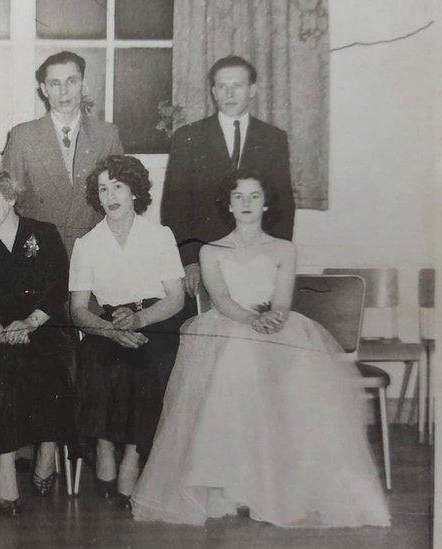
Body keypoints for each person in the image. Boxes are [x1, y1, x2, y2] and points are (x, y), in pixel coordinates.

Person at [133, 170, 390, 528]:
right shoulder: (211, 251)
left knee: (291, 371)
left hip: (278, 328)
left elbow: (282, 300)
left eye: (254, 196)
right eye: (238, 196)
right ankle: (230, 486)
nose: (246, 204)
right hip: (231, 325)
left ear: (266, 203)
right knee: (237, 358)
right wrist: (252, 322)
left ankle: (276, 488)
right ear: (229, 204)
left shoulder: (284, 249)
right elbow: (221, 301)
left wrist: (273, 320)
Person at [69, 155, 186, 509]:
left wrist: (138, 321)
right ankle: (104, 447)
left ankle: (133, 457)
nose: (110, 195)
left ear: (134, 191)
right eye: (103, 189)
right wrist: (109, 331)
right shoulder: (86, 244)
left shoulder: (159, 236)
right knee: (98, 364)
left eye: (118, 186)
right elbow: (77, 310)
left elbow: (177, 299)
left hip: (153, 320)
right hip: (106, 325)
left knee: (148, 368)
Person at [0, 168, 75, 515]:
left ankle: (48, 449)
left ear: (10, 197)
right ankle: (6, 466)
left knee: (50, 361)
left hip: (42, 326)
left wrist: (30, 322)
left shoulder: (44, 233)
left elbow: (58, 288)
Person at [161, 55, 295, 305]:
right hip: (205, 259)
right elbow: (173, 207)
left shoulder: (273, 138)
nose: (229, 93)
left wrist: (274, 259)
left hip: (259, 260)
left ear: (252, 90)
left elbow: (283, 205)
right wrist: (189, 260)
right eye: (222, 86)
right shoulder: (188, 137)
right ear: (213, 91)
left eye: (238, 85)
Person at [2, 51, 123, 255]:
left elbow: (120, 199)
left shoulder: (107, 135)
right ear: (44, 89)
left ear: (83, 84)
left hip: (95, 248)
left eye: (72, 81)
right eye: (55, 83)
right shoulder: (22, 136)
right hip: (41, 250)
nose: (64, 92)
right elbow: (10, 201)